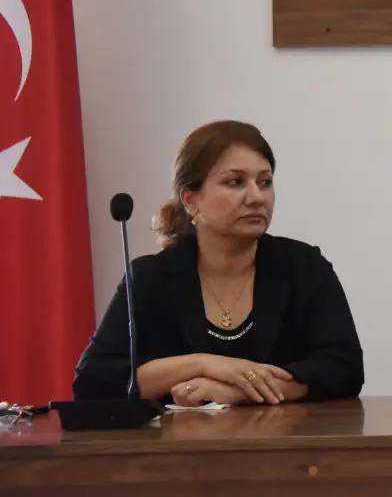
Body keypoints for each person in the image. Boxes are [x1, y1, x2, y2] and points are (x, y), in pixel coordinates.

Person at [72, 120, 363, 405]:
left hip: (288, 437)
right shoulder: (150, 278)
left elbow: (344, 368)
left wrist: (239, 391)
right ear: (190, 200)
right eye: (235, 182)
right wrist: (203, 364)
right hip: (179, 438)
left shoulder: (304, 267)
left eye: (265, 182)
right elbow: (93, 383)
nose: (256, 197)